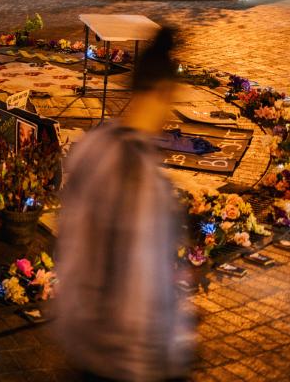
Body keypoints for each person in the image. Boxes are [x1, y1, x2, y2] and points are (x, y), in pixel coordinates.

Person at [53, 27, 195, 382]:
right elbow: (141, 283)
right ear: (165, 92)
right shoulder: (141, 177)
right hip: (123, 359)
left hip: (82, 343)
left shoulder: (93, 146)